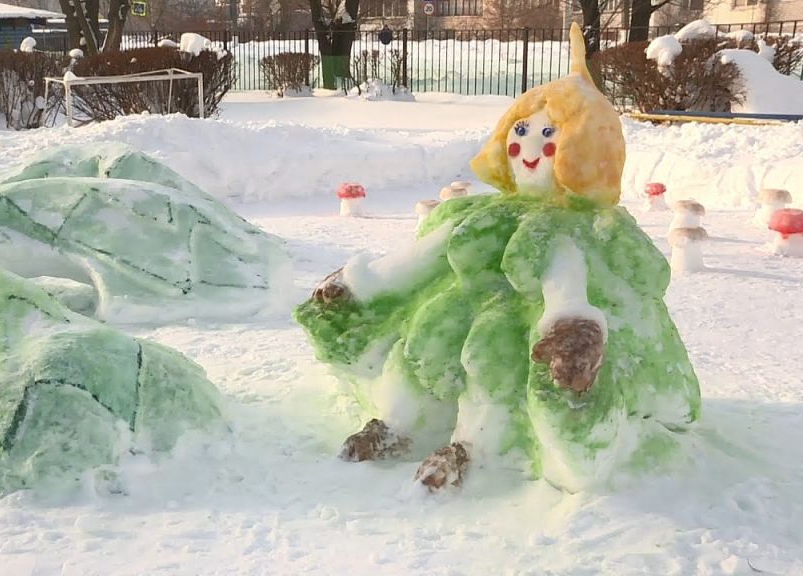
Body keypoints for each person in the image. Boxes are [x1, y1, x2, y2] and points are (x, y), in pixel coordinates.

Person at [295, 23, 701, 493]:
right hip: (460, 303)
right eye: (521, 129)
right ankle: (395, 424)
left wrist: (570, 322)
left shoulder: (573, 227)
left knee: (491, 353)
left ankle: (471, 448)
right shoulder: (480, 213)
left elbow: (562, 276)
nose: (528, 147)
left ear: (585, 146)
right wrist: (358, 283)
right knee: (421, 335)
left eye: (548, 133)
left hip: (516, 325)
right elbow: (420, 257)